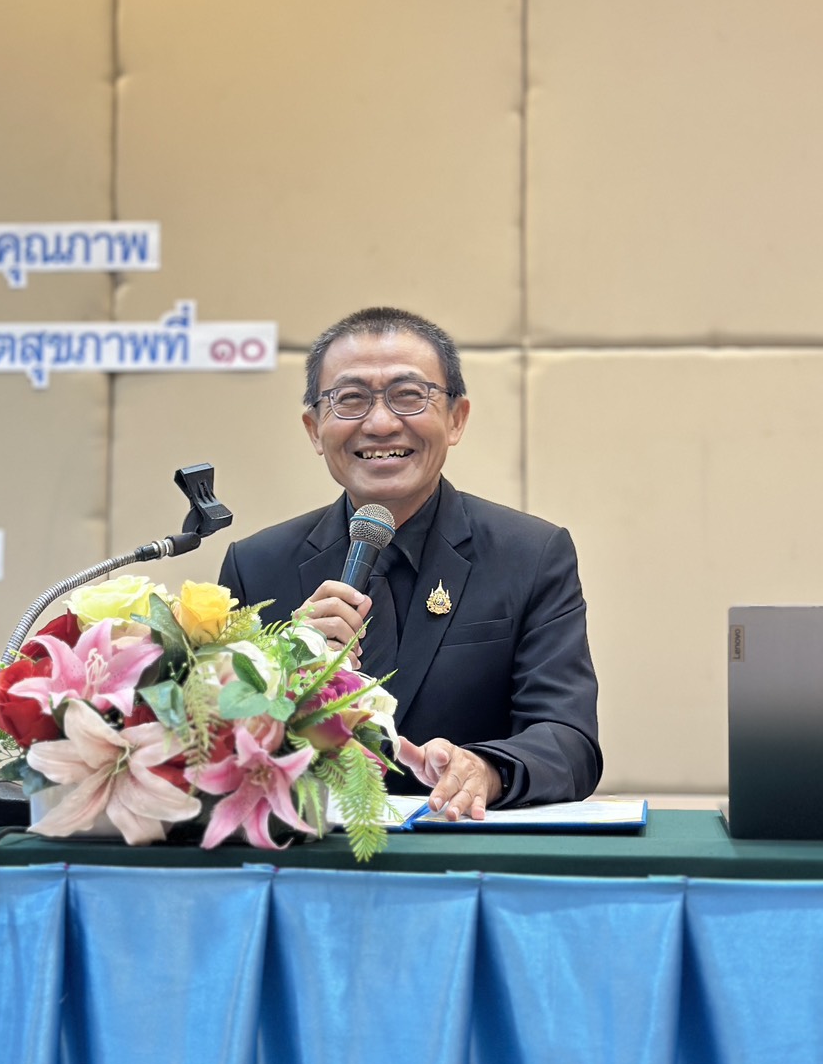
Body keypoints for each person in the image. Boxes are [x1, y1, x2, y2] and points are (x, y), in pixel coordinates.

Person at [218, 306, 601, 821]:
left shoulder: (531, 554)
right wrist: (291, 666)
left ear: (456, 418)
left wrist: (487, 770)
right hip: (313, 851)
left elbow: (569, 739)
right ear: (314, 429)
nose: (380, 423)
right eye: (350, 399)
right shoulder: (256, 566)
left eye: (408, 395)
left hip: (464, 847)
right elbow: (218, 746)